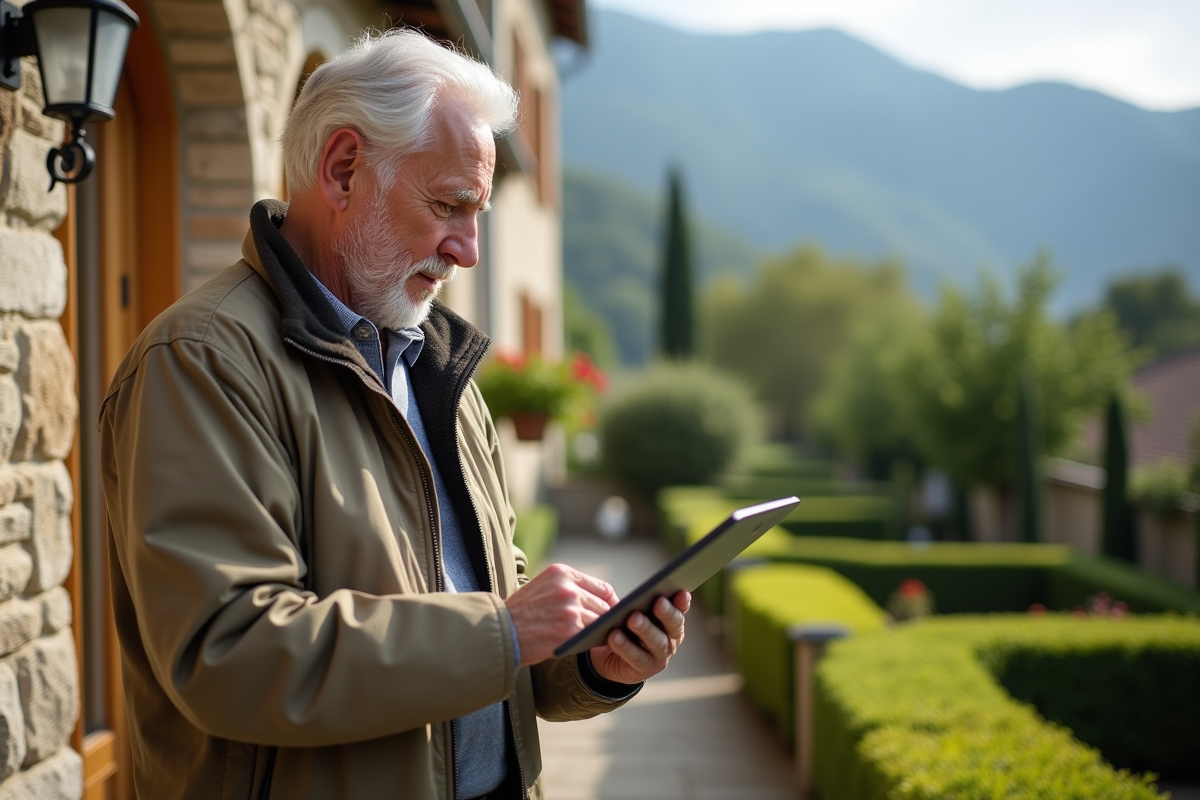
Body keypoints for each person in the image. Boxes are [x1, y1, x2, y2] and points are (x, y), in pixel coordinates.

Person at [99, 29, 690, 800]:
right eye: (450, 205)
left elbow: (494, 604)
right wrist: (503, 630)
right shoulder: (201, 359)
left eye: (477, 213)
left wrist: (588, 665)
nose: (469, 250)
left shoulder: (438, 366)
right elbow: (229, 651)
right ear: (343, 168)